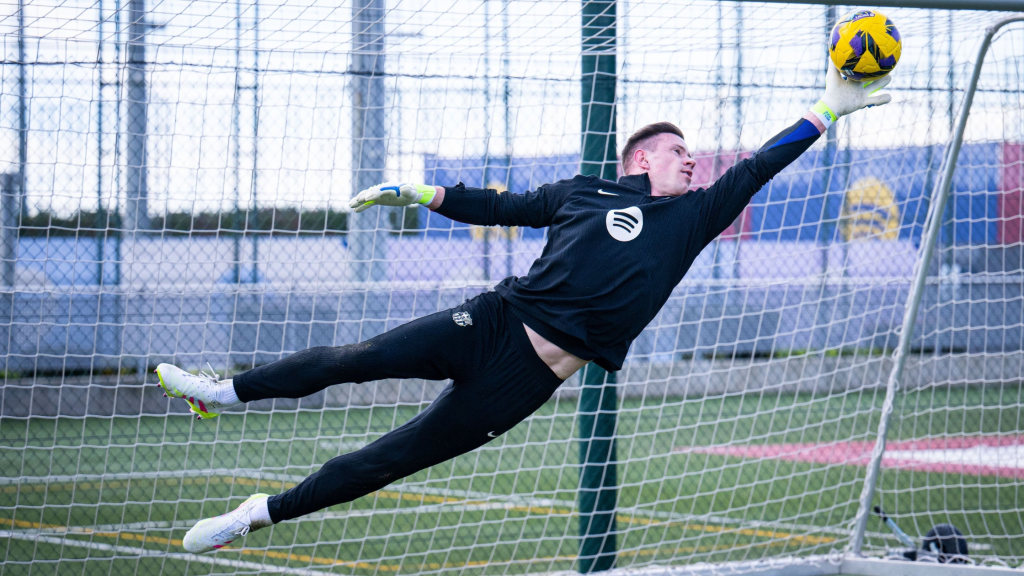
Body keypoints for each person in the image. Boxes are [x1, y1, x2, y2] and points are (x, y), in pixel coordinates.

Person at [157, 61, 890, 553]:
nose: (691, 159)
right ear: (641, 159)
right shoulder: (581, 193)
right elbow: (499, 206)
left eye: (691, 153)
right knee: (359, 358)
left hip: (528, 381)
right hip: (493, 322)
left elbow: (761, 165)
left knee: (389, 459)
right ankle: (220, 392)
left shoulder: (695, 215)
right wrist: (417, 193)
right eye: (678, 151)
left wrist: (830, 106)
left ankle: (258, 513)